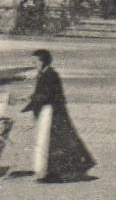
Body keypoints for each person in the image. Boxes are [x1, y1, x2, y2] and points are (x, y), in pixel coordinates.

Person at [19, 49, 95, 183]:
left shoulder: (50, 75)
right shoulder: (44, 73)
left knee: (55, 143)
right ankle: (55, 172)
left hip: (54, 114)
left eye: (35, 61)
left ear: (43, 61)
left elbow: (47, 95)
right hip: (50, 112)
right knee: (53, 143)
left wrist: (32, 99)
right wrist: (31, 98)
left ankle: (56, 174)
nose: (33, 64)